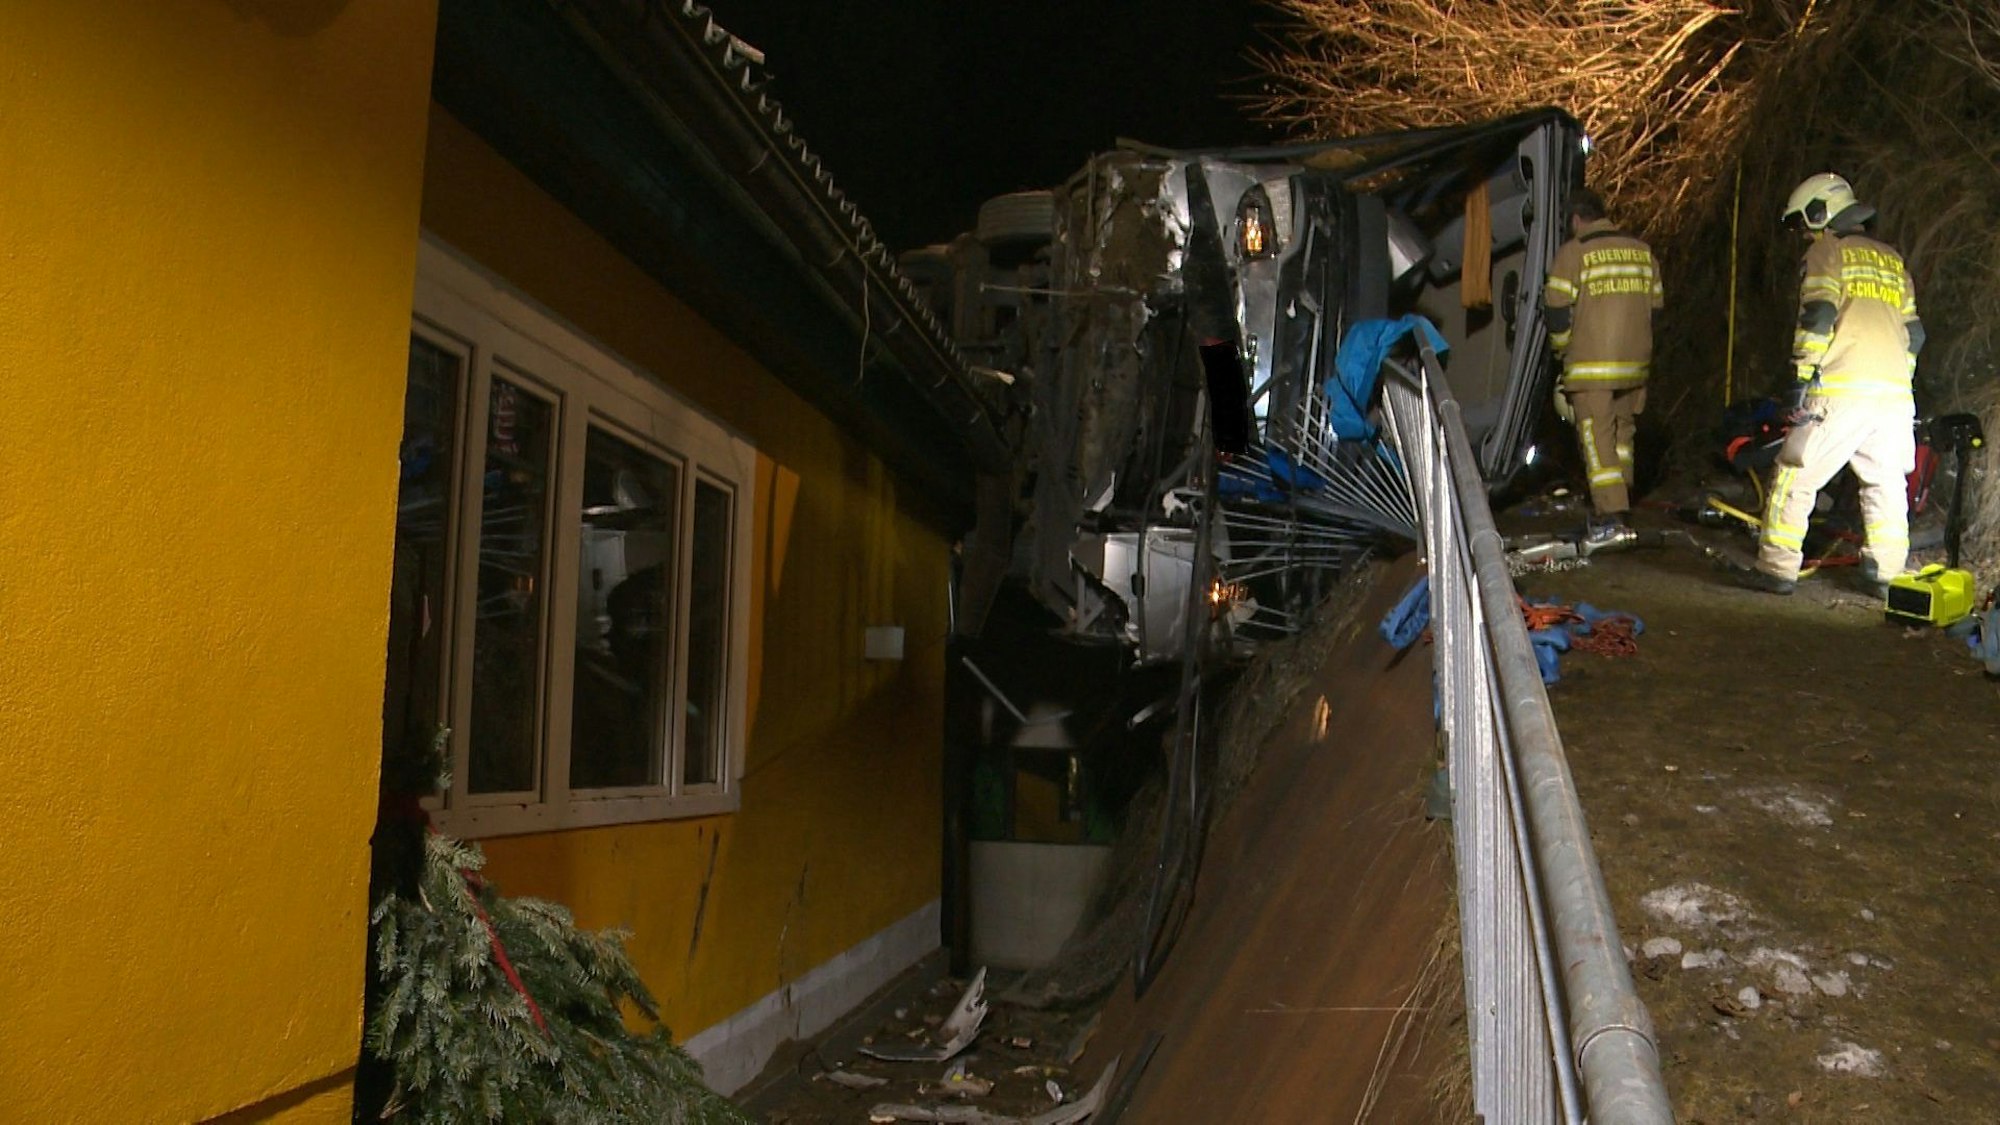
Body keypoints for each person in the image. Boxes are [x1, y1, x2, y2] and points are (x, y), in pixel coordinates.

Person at [1737, 172, 1924, 596]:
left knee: (1793, 474)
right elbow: (1915, 336)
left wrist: (1801, 377)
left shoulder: (1828, 252)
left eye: (1804, 223)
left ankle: (1777, 568)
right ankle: (1886, 575)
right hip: (1894, 397)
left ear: (1821, 211)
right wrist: (1898, 377)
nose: (1803, 234)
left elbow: (1818, 317)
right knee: (1886, 483)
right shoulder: (1894, 262)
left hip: (1840, 389)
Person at [1543, 187, 1663, 549]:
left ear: (1576, 219)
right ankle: (1621, 499)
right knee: (1622, 437)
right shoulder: (1643, 252)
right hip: (1635, 365)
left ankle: (1610, 518)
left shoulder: (1573, 253)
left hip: (1591, 367)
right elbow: (1655, 310)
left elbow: (1557, 312)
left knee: (1597, 441)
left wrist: (1562, 354)